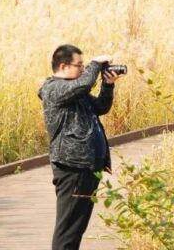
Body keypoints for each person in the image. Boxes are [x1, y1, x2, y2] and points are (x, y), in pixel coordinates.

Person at [38, 44, 121, 250]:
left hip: (86, 168)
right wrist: (95, 64)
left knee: (75, 228)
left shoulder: (74, 90)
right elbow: (84, 84)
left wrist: (108, 85)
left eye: (85, 66)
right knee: (68, 231)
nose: (84, 70)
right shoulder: (54, 88)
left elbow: (101, 107)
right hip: (73, 168)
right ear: (64, 66)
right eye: (80, 65)